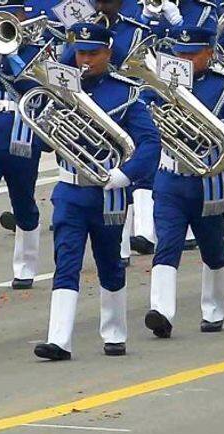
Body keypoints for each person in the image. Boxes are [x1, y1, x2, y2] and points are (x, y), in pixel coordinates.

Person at [33, 22, 160, 360]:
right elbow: (42, 143)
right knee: (66, 262)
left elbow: (149, 143)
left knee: (110, 264)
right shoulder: (62, 88)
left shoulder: (126, 93)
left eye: (92, 52)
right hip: (70, 189)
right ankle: (59, 340)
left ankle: (115, 333)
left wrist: (126, 174)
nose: (85, 59)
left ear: (108, 53)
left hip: (110, 192)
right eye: (80, 52)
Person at [143, 26, 224, 338]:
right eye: (181, 53)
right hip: (170, 178)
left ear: (209, 53)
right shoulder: (162, 81)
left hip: (209, 180)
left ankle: (213, 310)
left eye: (192, 53)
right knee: (167, 245)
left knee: (212, 248)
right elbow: (144, 110)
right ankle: (161, 312)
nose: (185, 58)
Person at [0, 0, 43, 296]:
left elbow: (36, 86)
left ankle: (25, 268)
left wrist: (12, 55)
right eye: (2, 16)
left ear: (24, 15)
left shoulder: (37, 50)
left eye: (14, 14)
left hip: (21, 134)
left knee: (23, 201)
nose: (9, 20)